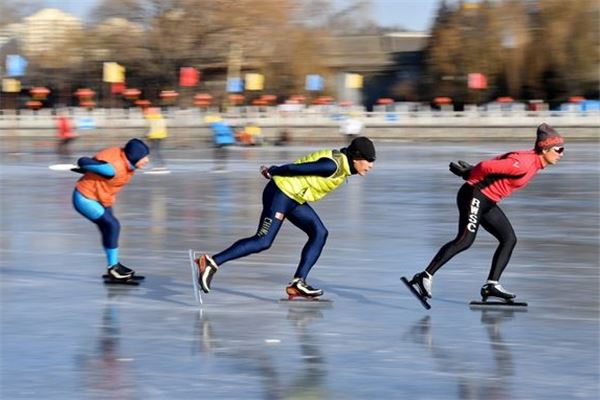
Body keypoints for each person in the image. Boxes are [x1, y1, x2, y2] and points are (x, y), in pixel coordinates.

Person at [194, 136, 376, 298]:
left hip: (294, 198)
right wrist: (274, 170)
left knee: (319, 233)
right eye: (369, 160)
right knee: (263, 241)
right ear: (356, 157)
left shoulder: (342, 165)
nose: (371, 165)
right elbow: (297, 169)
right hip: (280, 193)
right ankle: (211, 262)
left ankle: (298, 283)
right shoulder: (332, 166)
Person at [406, 123, 564, 302]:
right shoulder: (524, 163)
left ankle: (492, 285)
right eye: (559, 149)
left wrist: (470, 171)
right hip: (474, 195)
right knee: (465, 240)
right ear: (545, 149)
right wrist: (471, 174)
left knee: (508, 239)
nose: (562, 154)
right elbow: (487, 166)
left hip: (487, 201)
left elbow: (498, 161)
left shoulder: (531, 161)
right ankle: (424, 276)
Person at [72, 138, 150, 281]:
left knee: (108, 228)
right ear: (134, 157)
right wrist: (89, 166)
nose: (147, 160)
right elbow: (83, 160)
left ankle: (113, 266)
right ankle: (113, 268)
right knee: (112, 225)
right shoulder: (112, 169)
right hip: (85, 198)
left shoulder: (127, 162)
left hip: (102, 198)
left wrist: (92, 169)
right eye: (144, 157)